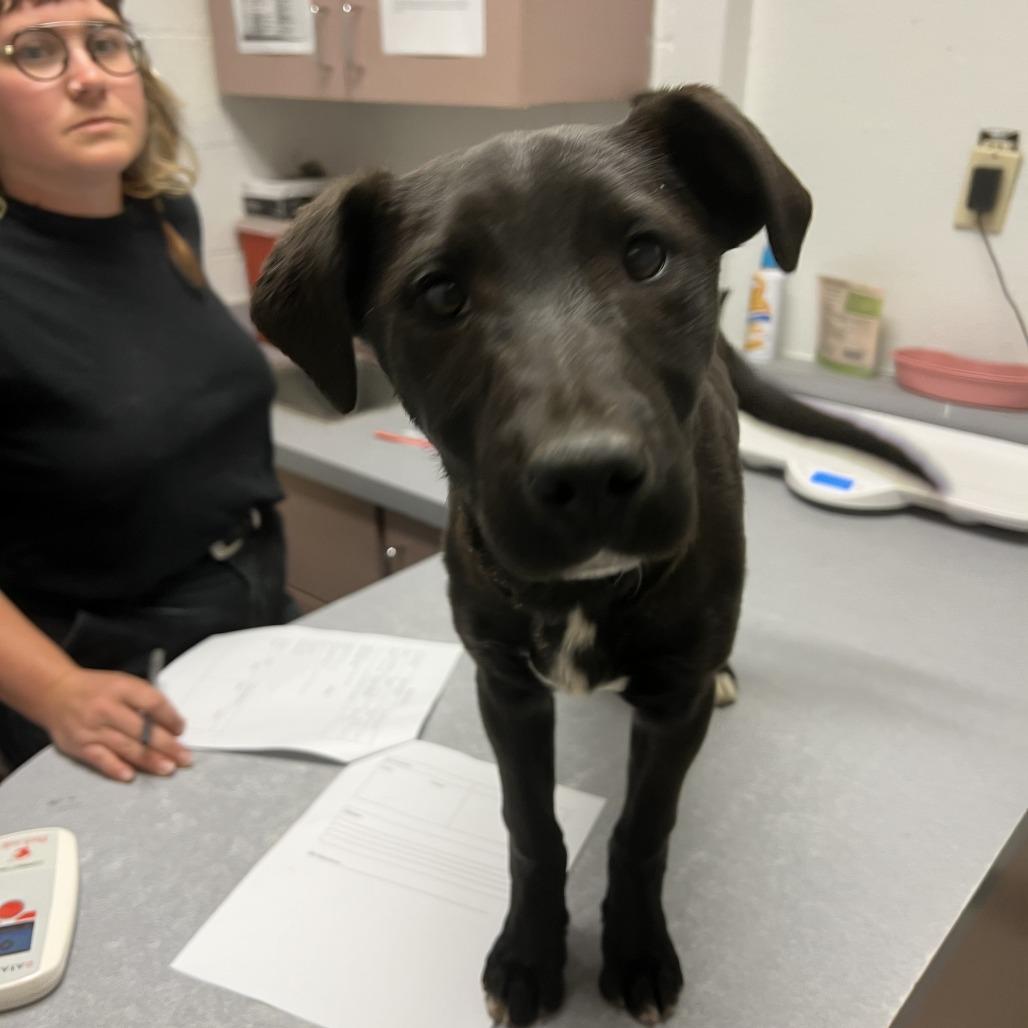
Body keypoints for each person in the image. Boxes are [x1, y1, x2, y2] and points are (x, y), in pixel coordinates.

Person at [0, 0, 295, 782]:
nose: (89, 78)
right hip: (106, 665)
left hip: (250, 599)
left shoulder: (163, 217)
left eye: (104, 43)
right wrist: (58, 691)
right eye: (33, 51)